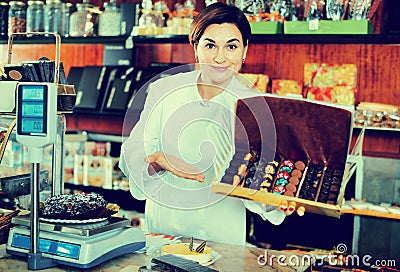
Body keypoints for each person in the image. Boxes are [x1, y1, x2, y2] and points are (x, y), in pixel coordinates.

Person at [119, 2, 297, 246]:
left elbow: (257, 180)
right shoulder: (164, 90)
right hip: (164, 230)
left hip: (222, 236)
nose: (220, 57)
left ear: (245, 50)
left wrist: (278, 199)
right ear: (195, 48)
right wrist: (157, 160)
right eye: (210, 45)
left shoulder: (256, 108)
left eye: (231, 46)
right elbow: (132, 154)